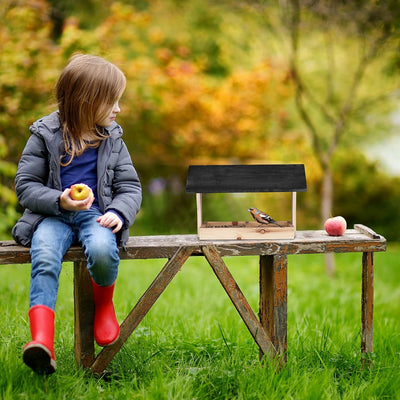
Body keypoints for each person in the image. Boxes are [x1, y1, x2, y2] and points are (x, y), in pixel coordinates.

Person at [12, 54, 142, 375]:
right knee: (44, 257)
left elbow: (130, 186)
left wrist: (118, 212)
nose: (118, 109)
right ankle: (42, 341)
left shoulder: (112, 139)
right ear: (87, 101)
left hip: (95, 215)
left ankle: (104, 305)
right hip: (52, 215)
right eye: (112, 101)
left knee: (101, 248)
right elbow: (26, 186)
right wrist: (60, 200)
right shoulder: (44, 135)